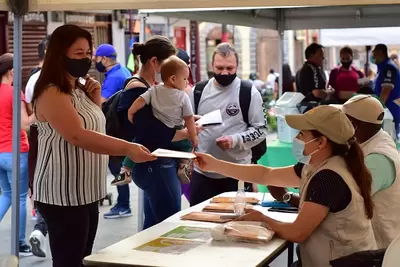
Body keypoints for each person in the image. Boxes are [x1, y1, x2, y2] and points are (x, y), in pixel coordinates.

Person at [31, 24, 156, 267]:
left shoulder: (79, 88)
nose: (87, 58)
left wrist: (95, 98)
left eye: (89, 53)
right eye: (79, 53)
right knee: (70, 260)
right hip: (62, 192)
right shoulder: (51, 91)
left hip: (86, 190)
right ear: (59, 54)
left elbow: (94, 127)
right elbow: (77, 136)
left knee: (83, 257)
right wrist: (128, 149)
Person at [195, 105, 377, 267]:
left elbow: (297, 233)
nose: (296, 139)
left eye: (301, 134)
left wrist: (262, 219)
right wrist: (215, 165)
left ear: (321, 142)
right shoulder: (317, 164)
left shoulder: (329, 178)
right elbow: (267, 175)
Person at [115, 36, 196, 230]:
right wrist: (188, 133)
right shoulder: (138, 88)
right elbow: (152, 133)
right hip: (155, 164)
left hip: (156, 162)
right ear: (154, 62)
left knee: (153, 225)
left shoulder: (155, 89)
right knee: (167, 225)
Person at [189, 43, 266, 206]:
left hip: (237, 174)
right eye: (220, 68)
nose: (224, 72)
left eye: (230, 68)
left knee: (237, 222)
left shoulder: (248, 92)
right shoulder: (198, 91)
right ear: (212, 65)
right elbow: (186, 125)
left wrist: (235, 140)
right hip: (203, 174)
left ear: (237, 66)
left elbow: (261, 130)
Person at [338, 94, 400, 249]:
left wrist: (288, 198)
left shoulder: (377, 160)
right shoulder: (376, 138)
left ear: (354, 125)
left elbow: (342, 203)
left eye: (341, 121)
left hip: (378, 250)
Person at [94, 44, 134, 219]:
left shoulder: (112, 78)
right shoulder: (124, 71)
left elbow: (102, 103)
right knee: (120, 164)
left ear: (104, 59)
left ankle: (124, 204)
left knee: (116, 165)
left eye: (96, 58)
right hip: (124, 126)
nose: (95, 61)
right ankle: (123, 203)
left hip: (115, 127)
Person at [0, 53, 33, 255]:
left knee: (6, 195)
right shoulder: (14, 93)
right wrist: (40, 112)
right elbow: (24, 125)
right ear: (12, 71)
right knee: (20, 198)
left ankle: (19, 241)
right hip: (15, 152)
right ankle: (20, 243)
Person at [127, 55, 198, 147]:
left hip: (157, 129)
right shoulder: (183, 96)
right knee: (186, 147)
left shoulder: (154, 90)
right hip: (176, 130)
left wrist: (131, 112)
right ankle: (184, 161)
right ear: (173, 79)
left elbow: (141, 100)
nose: (187, 82)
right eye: (185, 78)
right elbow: (189, 119)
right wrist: (194, 137)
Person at [25, 36, 51, 258]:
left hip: (36, 136)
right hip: (52, 138)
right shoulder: (54, 78)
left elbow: (29, 112)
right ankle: (40, 228)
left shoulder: (32, 78)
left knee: (40, 182)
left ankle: (39, 226)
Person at [371, 44, 400, 137]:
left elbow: (386, 90)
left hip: (390, 110)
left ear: (380, 53)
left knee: (390, 137)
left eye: (374, 53)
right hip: (386, 110)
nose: (373, 56)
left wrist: (378, 110)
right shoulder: (383, 67)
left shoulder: (389, 67)